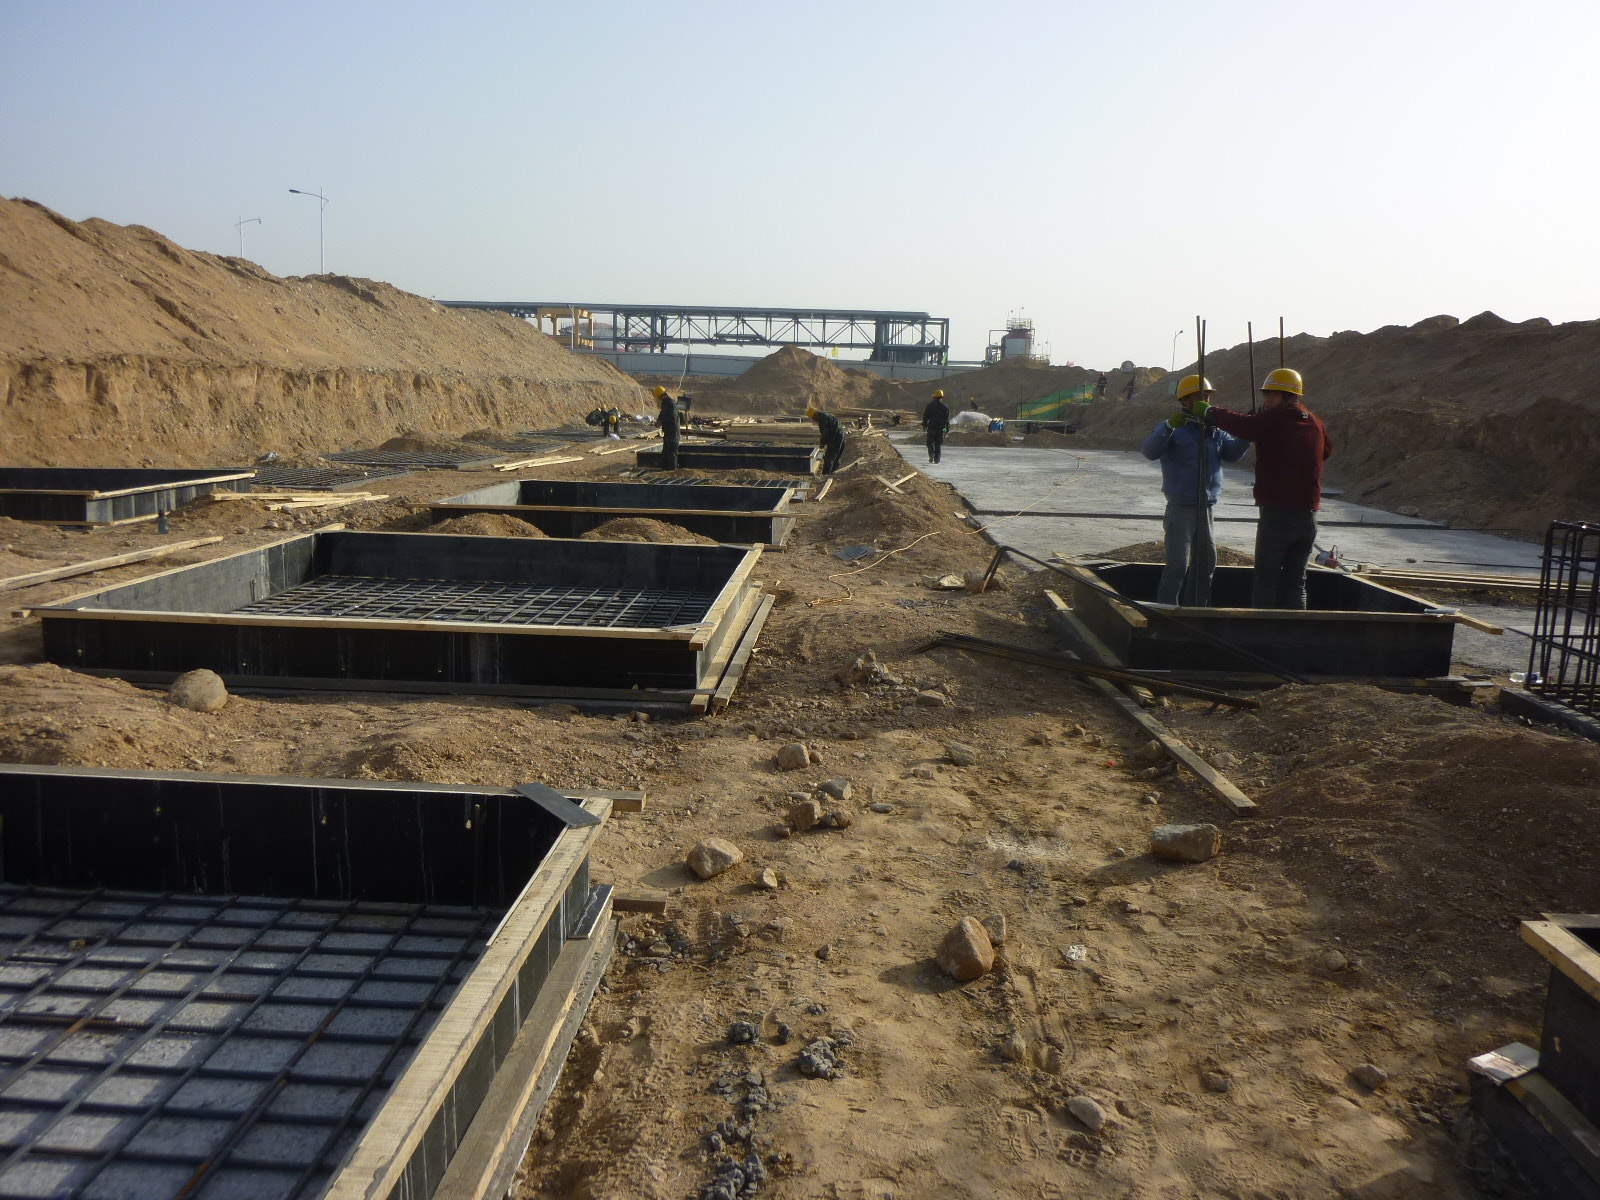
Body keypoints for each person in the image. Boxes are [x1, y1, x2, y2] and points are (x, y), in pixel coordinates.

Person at [1202, 367, 1333, 610]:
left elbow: (1244, 426)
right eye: (1265, 394)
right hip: (1308, 517)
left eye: (1272, 394)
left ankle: (1262, 629)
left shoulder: (1276, 420)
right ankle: (1296, 630)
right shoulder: (1316, 422)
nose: (1266, 399)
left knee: (1266, 580)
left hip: (1277, 515)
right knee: (1296, 582)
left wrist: (1211, 412)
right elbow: (1326, 452)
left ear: (1288, 395)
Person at [1140, 374, 1249, 606]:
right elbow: (1149, 451)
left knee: (1206, 565)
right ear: (1184, 400)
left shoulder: (1214, 430)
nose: (1204, 401)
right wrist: (1169, 426)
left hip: (1206, 508)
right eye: (1199, 397)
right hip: (1181, 508)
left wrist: (1246, 436)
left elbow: (1231, 454)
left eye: (1207, 397)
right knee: (1177, 566)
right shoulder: (1174, 429)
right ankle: (1166, 610)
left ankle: (1197, 610)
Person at [808, 404, 846, 474]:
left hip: (835, 439)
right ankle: (835, 474)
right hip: (841, 436)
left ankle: (826, 475)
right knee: (836, 458)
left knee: (829, 458)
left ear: (815, 414)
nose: (814, 420)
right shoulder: (826, 416)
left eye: (813, 418)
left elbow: (825, 433)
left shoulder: (822, 419)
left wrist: (822, 443)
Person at [921, 388, 951, 464]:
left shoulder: (930, 405)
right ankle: (937, 459)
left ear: (934, 397)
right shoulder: (945, 407)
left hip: (931, 427)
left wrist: (924, 425)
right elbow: (947, 419)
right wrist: (947, 428)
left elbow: (925, 416)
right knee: (938, 444)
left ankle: (931, 454)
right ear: (942, 397)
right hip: (941, 428)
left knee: (929, 443)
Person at [655, 385, 680, 470]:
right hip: (668, 432)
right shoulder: (665, 403)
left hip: (673, 433)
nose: (658, 399)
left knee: (672, 454)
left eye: (659, 397)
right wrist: (659, 420)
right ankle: (665, 470)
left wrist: (661, 422)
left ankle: (672, 471)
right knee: (666, 453)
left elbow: (672, 418)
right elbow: (662, 414)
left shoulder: (671, 403)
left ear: (661, 395)